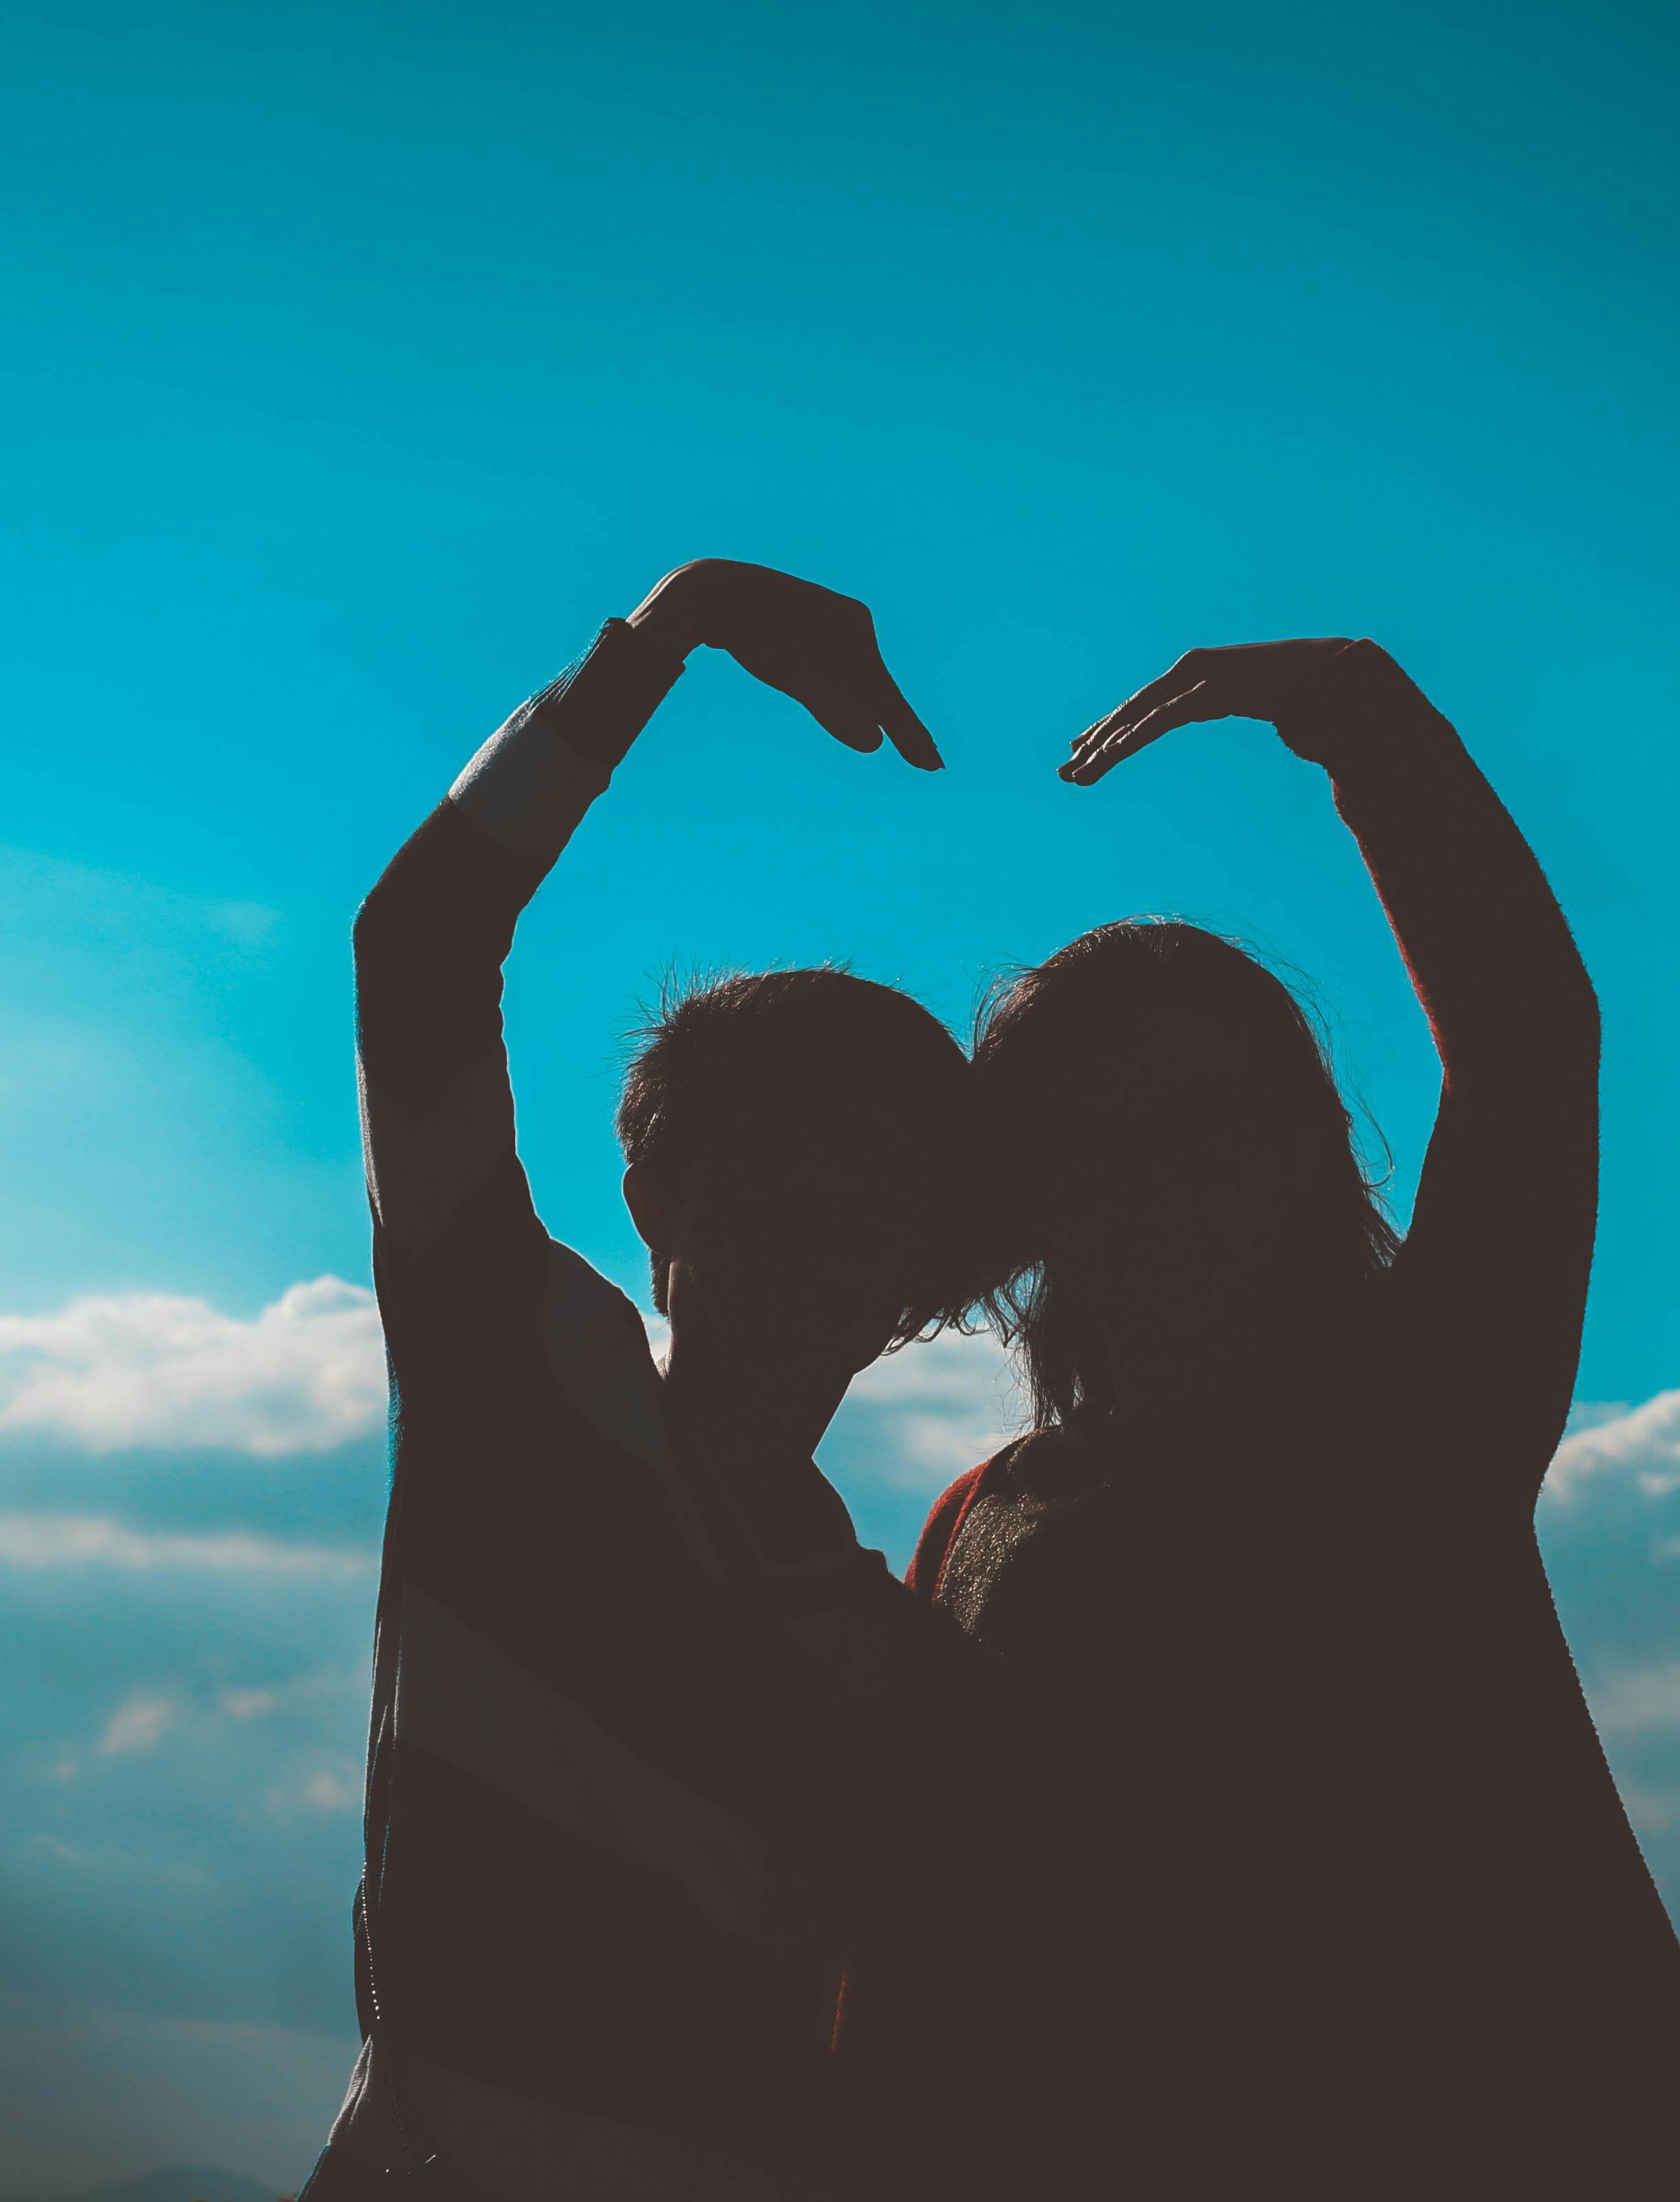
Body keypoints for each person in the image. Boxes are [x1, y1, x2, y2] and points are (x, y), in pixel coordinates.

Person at [899, 637, 1680, 2196]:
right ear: (1032, 1180)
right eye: (1103, 1126)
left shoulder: (1413, 1414)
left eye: (1214, 1119)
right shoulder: (979, 1520)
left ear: (1302, 1149)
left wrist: (1369, 728)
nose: (1165, 1171)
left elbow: (1524, 1044)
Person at [303, 560, 996, 2201]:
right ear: (655, 1202)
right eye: (777, 1192)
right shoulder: (522, 1385)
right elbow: (415, 954)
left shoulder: (893, 1659)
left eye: (873, 1218)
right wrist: (668, 630)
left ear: (916, 1284)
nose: (821, 1256)